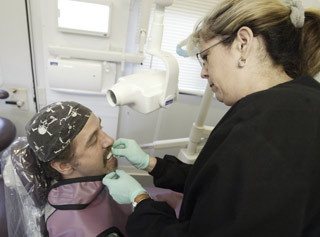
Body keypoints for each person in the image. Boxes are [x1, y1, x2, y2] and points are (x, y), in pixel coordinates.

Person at [102, 0, 320, 236]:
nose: (203, 71)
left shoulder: (266, 129)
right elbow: (222, 184)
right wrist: (150, 163)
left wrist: (140, 200)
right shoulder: (296, 108)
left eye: (205, 56)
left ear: (243, 44)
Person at [25, 101, 130, 237]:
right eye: (92, 140)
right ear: (64, 166)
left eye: (100, 128)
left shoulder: (96, 177)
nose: (109, 140)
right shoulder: (78, 230)